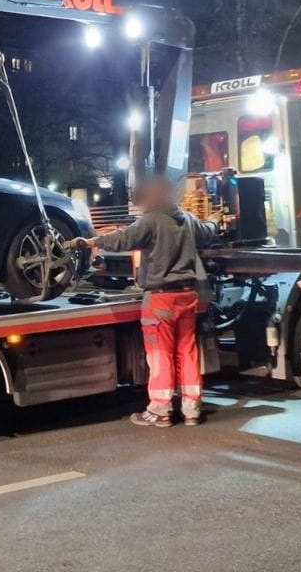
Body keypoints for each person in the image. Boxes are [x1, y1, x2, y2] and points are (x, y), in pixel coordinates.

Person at [71, 176, 219, 427]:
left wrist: (91, 242)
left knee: (160, 355)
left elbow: (122, 238)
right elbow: (208, 232)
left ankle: (161, 411)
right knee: (188, 352)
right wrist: (215, 219)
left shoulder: (151, 221)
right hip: (187, 296)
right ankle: (191, 410)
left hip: (161, 299)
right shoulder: (188, 220)